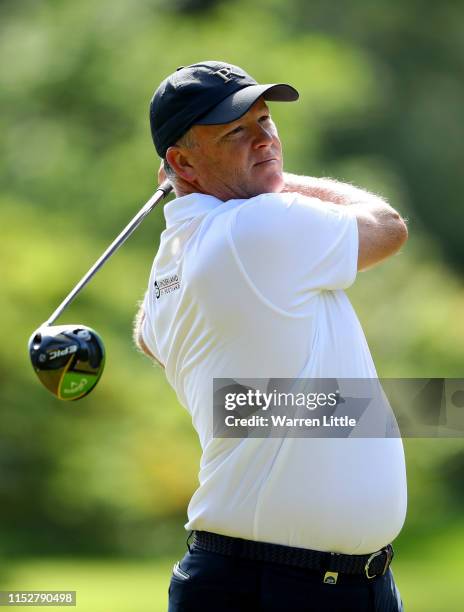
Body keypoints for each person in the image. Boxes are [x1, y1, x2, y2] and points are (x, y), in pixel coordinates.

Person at [134, 61, 408, 612]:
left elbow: (145, 336)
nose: (264, 139)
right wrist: (280, 181)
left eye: (266, 122)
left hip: (327, 581)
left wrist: (247, 175)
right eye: (237, 131)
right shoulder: (256, 226)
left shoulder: (171, 266)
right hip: (272, 584)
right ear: (181, 162)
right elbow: (386, 227)